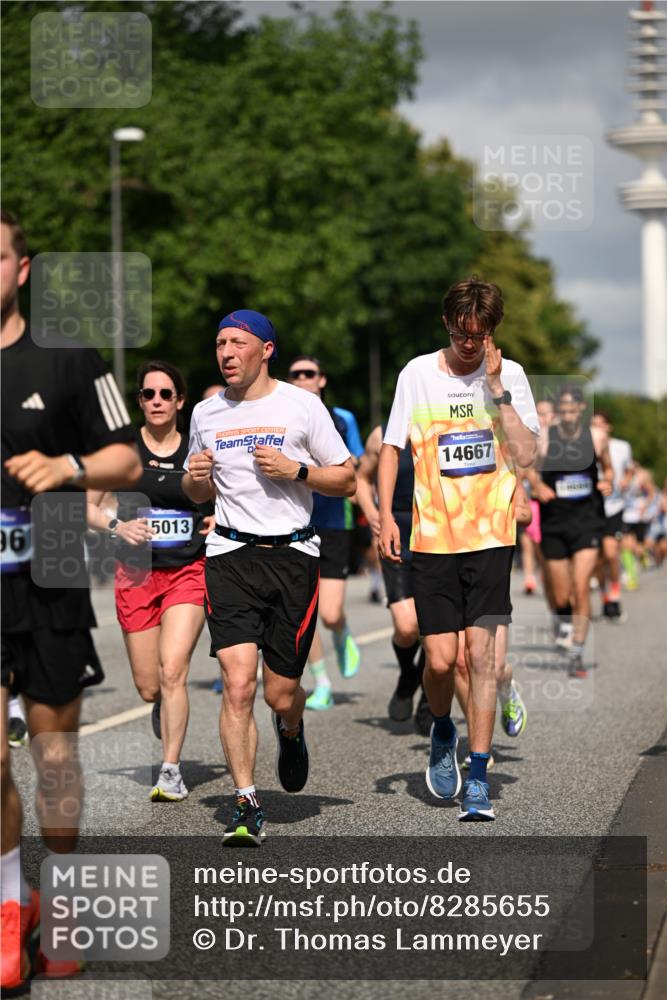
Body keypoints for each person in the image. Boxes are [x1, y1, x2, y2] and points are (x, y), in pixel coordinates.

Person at [1, 210, 141, 991]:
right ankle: (4, 910)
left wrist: (67, 466)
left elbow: (123, 456)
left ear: (22, 268)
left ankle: (60, 896)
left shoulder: (66, 357)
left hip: (51, 574)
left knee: (54, 760)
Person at [183, 310, 355, 845]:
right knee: (238, 685)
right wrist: (196, 479)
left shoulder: (302, 406)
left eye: (237, 343)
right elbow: (195, 493)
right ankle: (246, 801)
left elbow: (346, 479)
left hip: (293, 558)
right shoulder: (206, 412)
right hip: (229, 555)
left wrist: (297, 470)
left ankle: (291, 727)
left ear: (266, 349)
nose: (226, 352)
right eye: (219, 344)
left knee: (280, 693)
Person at [379, 276, 538, 822]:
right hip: (432, 538)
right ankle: (443, 731)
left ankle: (478, 775)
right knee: (442, 661)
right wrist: (383, 517)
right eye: (462, 333)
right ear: (448, 325)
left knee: (482, 659)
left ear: (492, 330)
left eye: (480, 334)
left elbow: (527, 452)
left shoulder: (509, 374)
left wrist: (497, 392)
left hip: (491, 537)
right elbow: (391, 448)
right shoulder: (417, 373)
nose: (470, 344)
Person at [87, 361, 214, 802]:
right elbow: (89, 506)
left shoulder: (198, 451)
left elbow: (232, 497)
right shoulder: (123, 451)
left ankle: (171, 769)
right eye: (147, 394)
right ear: (138, 401)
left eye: (165, 394)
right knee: (149, 685)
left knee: (173, 669)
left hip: (187, 572)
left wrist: (220, 520)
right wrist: (116, 526)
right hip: (136, 574)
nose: (156, 401)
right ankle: (162, 703)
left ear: (180, 401)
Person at [286, 356, 364, 710]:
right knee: (306, 610)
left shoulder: (343, 420)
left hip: (335, 524)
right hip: (296, 524)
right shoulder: (282, 418)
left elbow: (355, 470)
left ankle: (342, 630)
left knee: (330, 613)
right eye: (295, 374)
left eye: (309, 373)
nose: (303, 379)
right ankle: (322, 682)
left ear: (322, 380)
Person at [529, 387, 613, 677]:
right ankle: (562, 619)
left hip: (587, 521)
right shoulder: (545, 438)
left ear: (580, 411)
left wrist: (609, 482)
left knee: (580, 586)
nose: (566, 416)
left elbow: (609, 468)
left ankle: (577, 652)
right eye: (561, 411)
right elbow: (528, 469)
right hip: (554, 523)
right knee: (561, 593)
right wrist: (537, 486)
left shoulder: (597, 438)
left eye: (571, 411)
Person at [356, 424, 432, 734]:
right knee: (407, 626)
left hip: (439, 535)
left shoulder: (447, 421)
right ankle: (408, 675)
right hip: (397, 533)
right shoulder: (383, 433)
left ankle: (429, 699)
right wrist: (374, 514)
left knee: (435, 629)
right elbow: (360, 478)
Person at [456, 480, 532, 769]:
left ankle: (506, 686)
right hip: (448, 565)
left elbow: (525, 514)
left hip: (489, 567)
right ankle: (479, 744)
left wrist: (489, 512)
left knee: (494, 667)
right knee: (462, 664)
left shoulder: (498, 467)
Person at [590, 411, 632, 621]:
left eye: (601, 425)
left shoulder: (622, 447)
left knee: (611, 553)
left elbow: (630, 468)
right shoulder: (586, 444)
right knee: (597, 558)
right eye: (593, 425)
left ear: (609, 427)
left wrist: (625, 479)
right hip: (593, 507)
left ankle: (615, 595)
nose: (597, 429)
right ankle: (605, 596)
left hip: (614, 506)